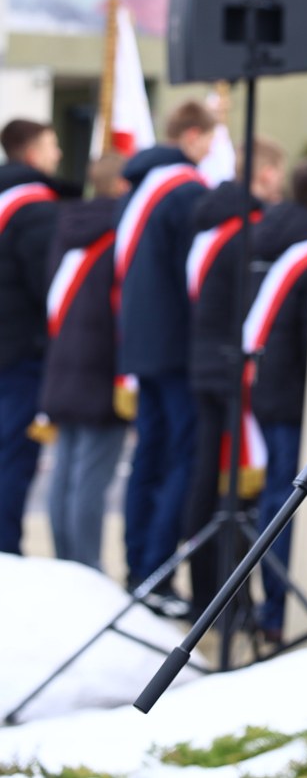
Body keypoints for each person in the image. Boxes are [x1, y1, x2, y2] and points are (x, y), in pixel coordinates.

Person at [116, 100, 218, 607]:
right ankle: (157, 573)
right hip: (177, 344)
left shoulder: (142, 185)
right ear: (194, 136)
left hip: (140, 341)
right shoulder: (185, 191)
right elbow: (196, 272)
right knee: (182, 457)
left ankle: (137, 564)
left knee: (148, 457)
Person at [243, 159, 307, 642]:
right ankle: (280, 610)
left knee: (274, 501)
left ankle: (273, 606)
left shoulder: (283, 240)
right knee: (287, 505)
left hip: (270, 391)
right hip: (293, 399)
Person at [182, 136, 287, 607]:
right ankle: (225, 598)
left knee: (209, 475)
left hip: (204, 359)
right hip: (230, 367)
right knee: (231, 484)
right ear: (265, 174)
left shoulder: (213, 222)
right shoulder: (249, 230)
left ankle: (211, 590)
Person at [38, 153, 132, 567]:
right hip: (101, 367)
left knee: (65, 476)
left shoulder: (69, 226)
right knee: (89, 481)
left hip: (64, 364)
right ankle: (86, 570)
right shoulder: (118, 233)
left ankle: (65, 564)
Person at [2, 118, 76, 555]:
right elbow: (49, 284)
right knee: (13, 454)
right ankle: (6, 547)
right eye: (52, 145)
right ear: (31, 153)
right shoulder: (35, 209)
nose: (59, 155)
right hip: (20, 352)